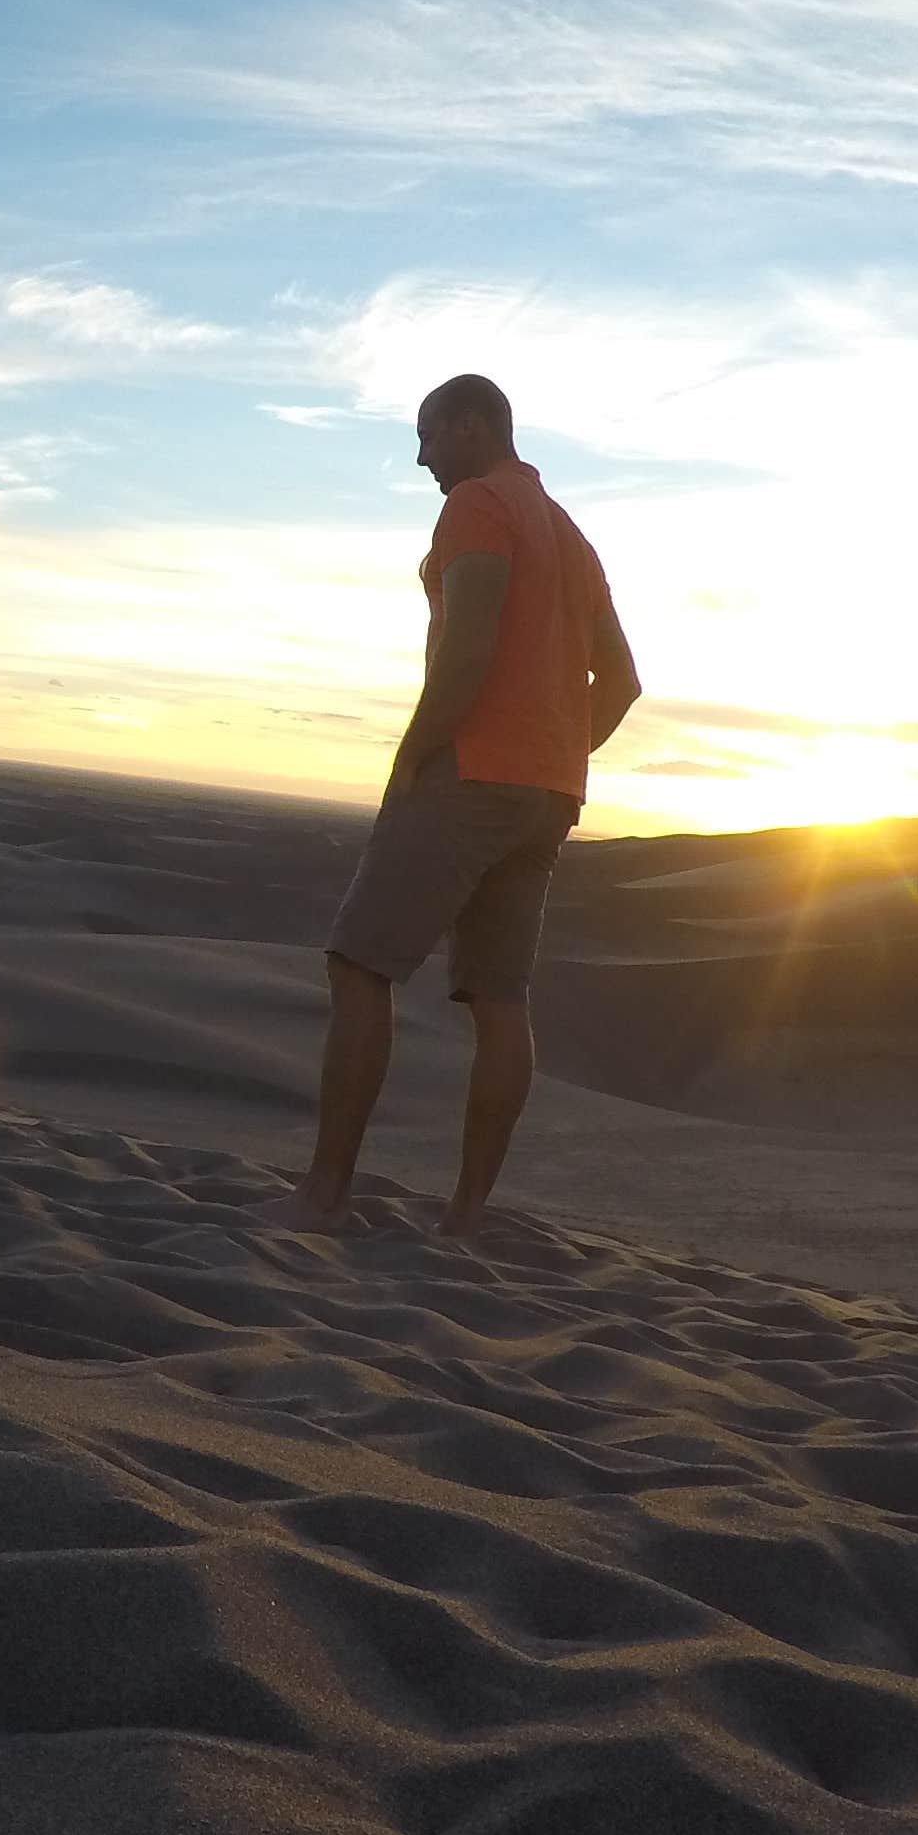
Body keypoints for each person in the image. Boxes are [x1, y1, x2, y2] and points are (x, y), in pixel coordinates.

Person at [294, 375, 639, 1238]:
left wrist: (413, 759)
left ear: (471, 425)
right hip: (548, 794)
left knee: (359, 965)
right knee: (499, 997)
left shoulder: (480, 505)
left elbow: (470, 647)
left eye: (428, 436)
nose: (421, 459)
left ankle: (324, 1197)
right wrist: (556, 755)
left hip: (470, 774)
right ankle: (467, 1215)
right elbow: (624, 683)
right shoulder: (568, 530)